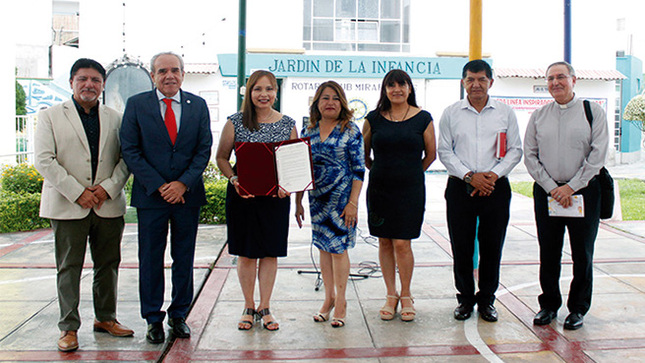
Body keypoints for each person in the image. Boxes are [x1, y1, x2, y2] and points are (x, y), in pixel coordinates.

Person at [34, 58, 133, 352]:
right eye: (82, 79)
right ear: (72, 83)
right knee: (69, 267)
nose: (89, 85)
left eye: (95, 80)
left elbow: (126, 158)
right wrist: (78, 192)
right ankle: (68, 327)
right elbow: (44, 160)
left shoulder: (116, 117)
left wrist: (106, 188)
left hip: (107, 204)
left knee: (108, 265)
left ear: (103, 85)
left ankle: (106, 318)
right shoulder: (50, 116)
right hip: (67, 205)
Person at [120, 52, 212, 343]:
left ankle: (179, 315)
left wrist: (183, 184)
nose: (169, 76)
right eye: (162, 71)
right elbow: (130, 149)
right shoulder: (136, 105)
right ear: (152, 75)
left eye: (175, 70)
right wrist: (161, 186)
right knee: (150, 259)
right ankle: (153, 318)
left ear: (183, 74)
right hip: (151, 197)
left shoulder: (197, 105)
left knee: (183, 257)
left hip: (187, 196)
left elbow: (203, 149)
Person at [524, 61, 608, 330]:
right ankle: (548, 305)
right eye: (550, 78)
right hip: (548, 193)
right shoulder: (539, 115)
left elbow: (598, 154)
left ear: (574, 80)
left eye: (561, 77)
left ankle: (578, 308)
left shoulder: (592, 112)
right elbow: (530, 155)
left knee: (582, 253)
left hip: (583, 192)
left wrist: (572, 187)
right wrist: (552, 187)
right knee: (548, 252)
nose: (555, 82)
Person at [437, 60, 522, 322]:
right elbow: (445, 151)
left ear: (490, 82)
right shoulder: (451, 113)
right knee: (461, 245)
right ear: (463, 82)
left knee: (492, 246)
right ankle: (464, 299)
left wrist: (491, 176)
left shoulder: (505, 113)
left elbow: (515, 150)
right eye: (470, 79)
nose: (476, 84)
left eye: (481, 79)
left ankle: (487, 300)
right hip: (460, 186)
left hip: (495, 188)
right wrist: (470, 177)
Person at [216, 70, 297, 331]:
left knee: (270, 253)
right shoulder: (235, 122)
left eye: (269, 89)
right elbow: (221, 158)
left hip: (275, 198)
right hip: (243, 196)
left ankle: (265, 306)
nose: (264, 94)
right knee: (247, 254)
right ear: (249, 93)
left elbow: (294, 164)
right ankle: (248, 306)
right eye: (257, 89)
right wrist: (233, 179)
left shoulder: (288, 124)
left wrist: (288, 187)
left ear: (276, 92)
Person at [363, 69, 436, 322]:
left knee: (403, 243)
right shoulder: (373, 118)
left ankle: (406, 294)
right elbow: (364, 155)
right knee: (384, 241)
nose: (397, 89)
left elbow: (431, 155)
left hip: (410, 189)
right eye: (391, 85)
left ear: (409, 88)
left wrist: (411, 172)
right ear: (384, 90)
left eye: (401, 85)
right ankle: (390, 294)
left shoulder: (423, 118)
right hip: (380, 189)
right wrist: (381, 171)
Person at [295, 81, 365, 328]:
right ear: (317, 103)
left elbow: (359, 170)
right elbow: (301, 170)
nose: (330, 102)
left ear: (342, 102)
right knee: (323, 249)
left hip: (342, 203)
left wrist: (353, 203)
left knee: (339, 249)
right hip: (317, 201)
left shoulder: (351, 130)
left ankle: (342, 301)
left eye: (335, 98)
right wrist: (298, 203)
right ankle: (329, 299)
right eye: (325, 98)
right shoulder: (308, 131)